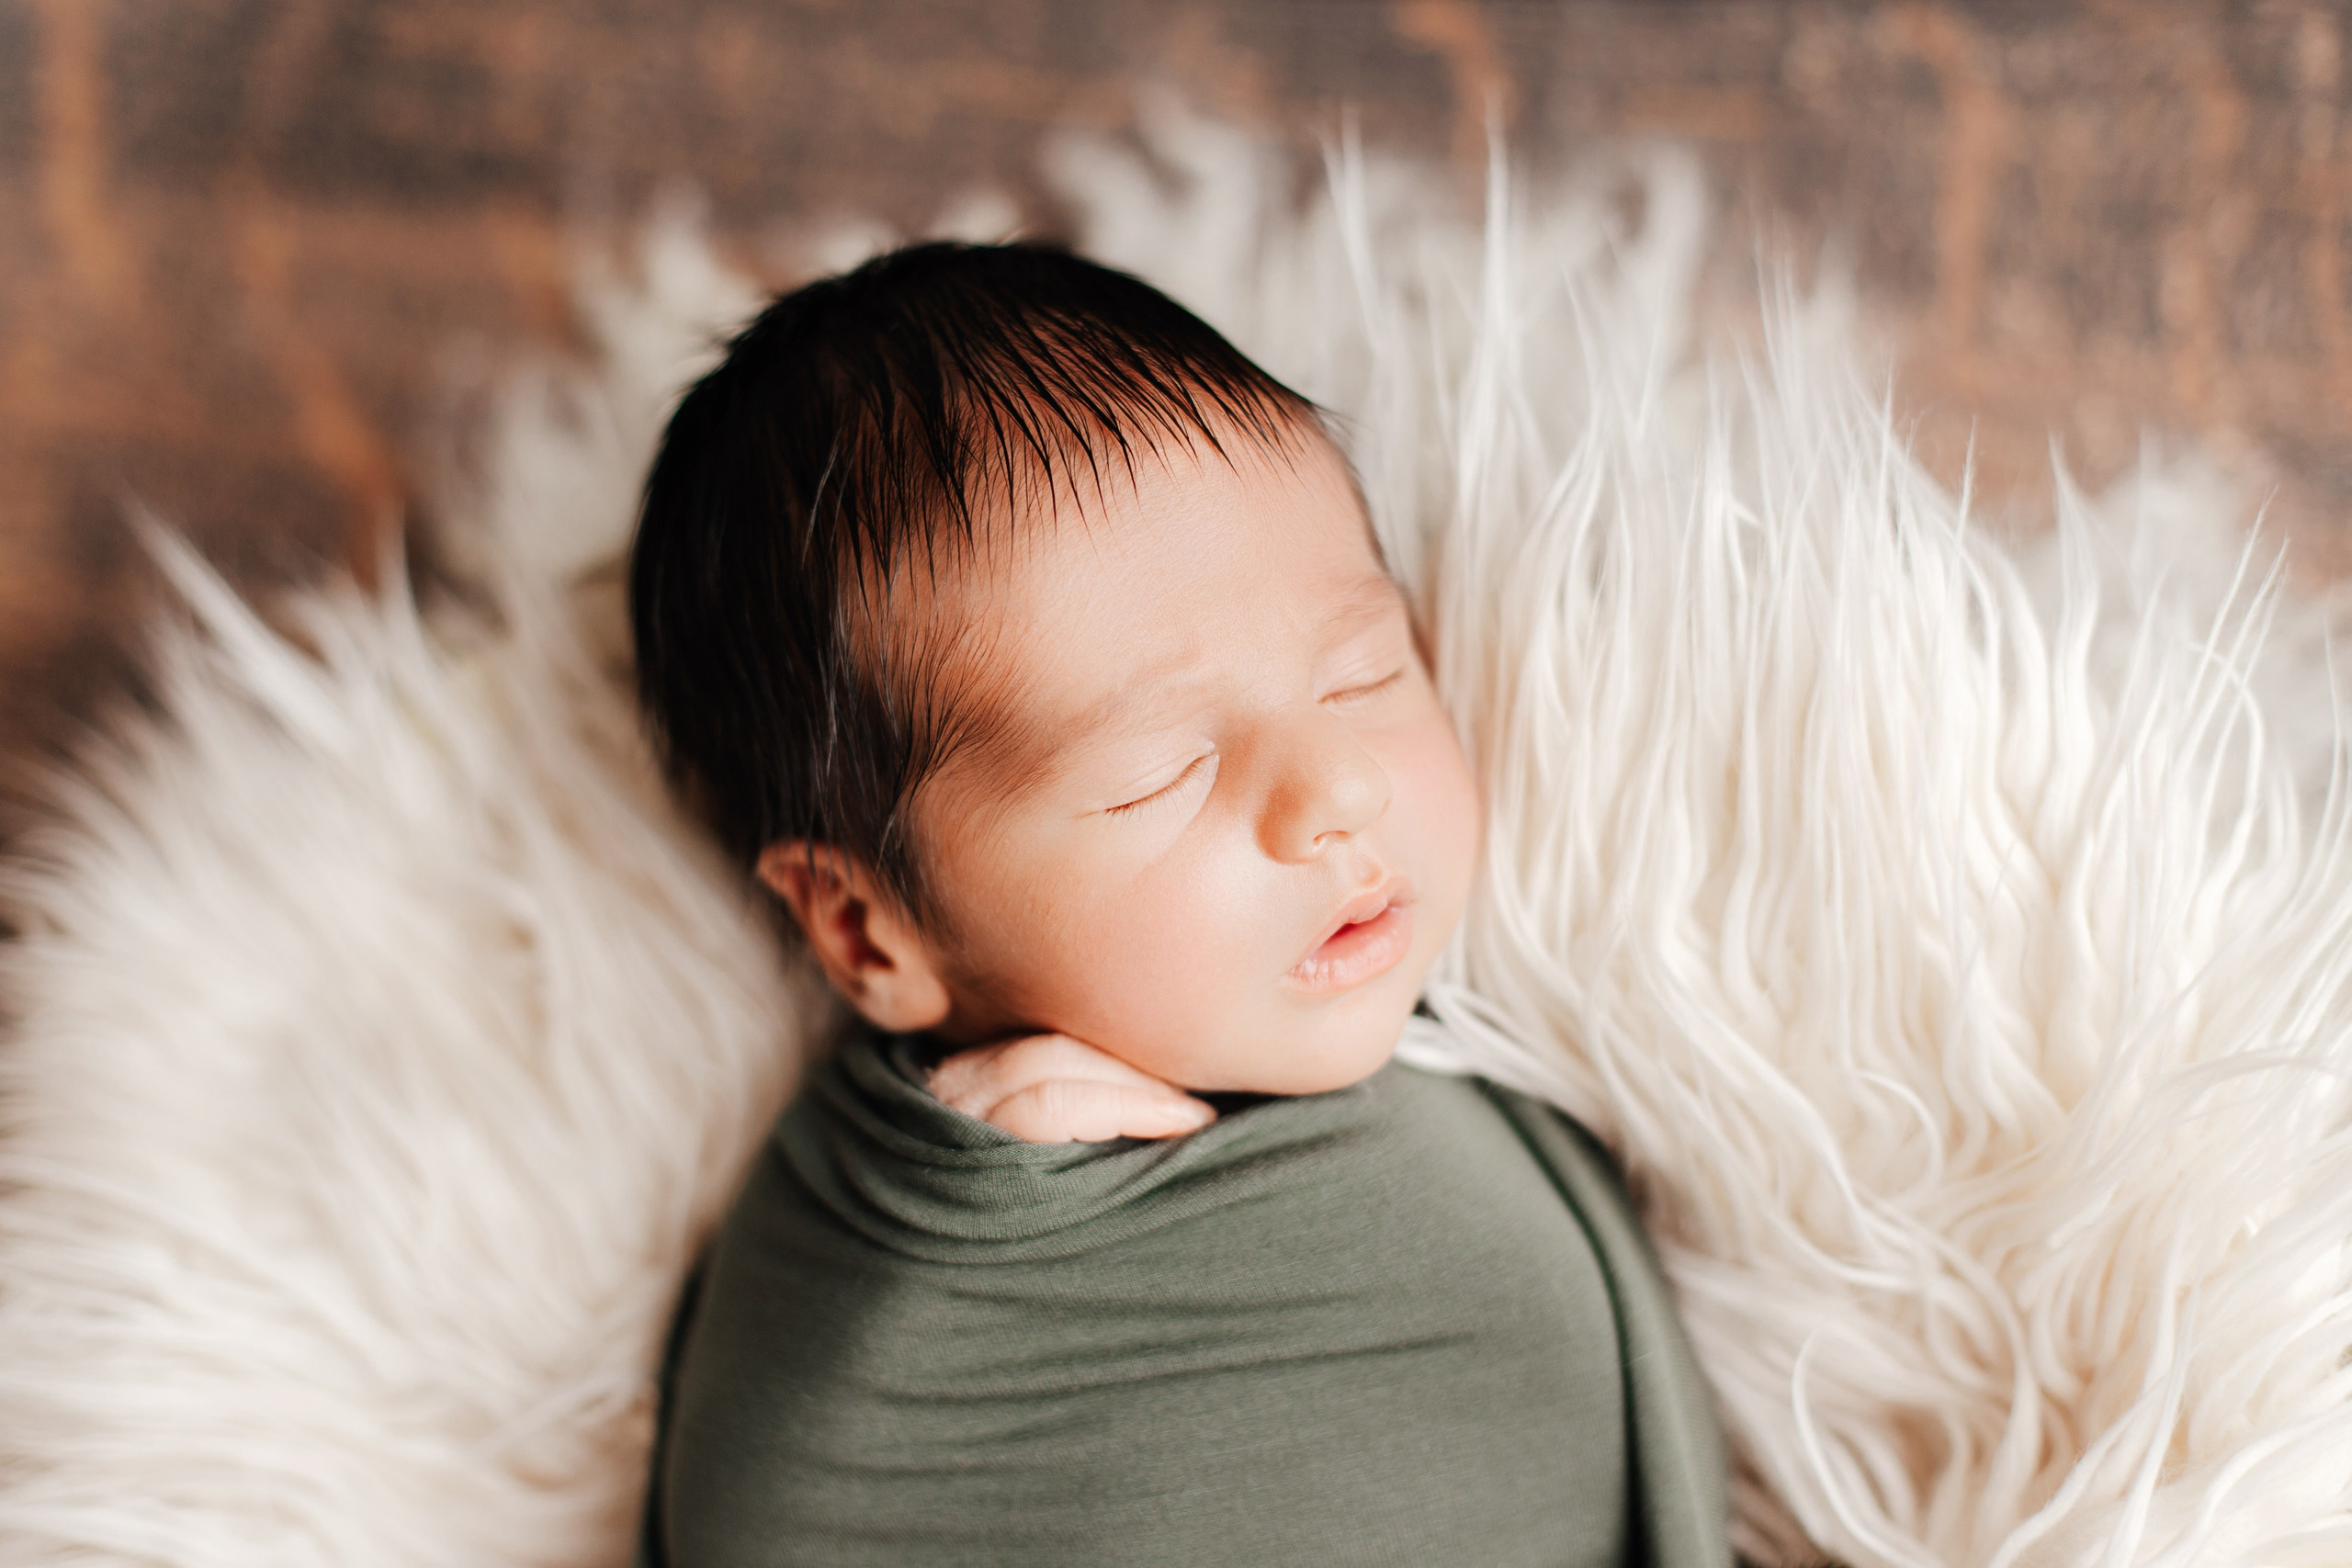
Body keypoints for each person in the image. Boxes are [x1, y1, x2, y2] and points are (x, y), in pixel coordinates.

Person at [627, 240, 1729, 1566]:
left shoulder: (1583, 994)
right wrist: (972, 1227)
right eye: (1162, 774)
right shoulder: (879, 1243)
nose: (1336, 790)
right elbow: (795, 1475)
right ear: (868, 928)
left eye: (1365, 673)